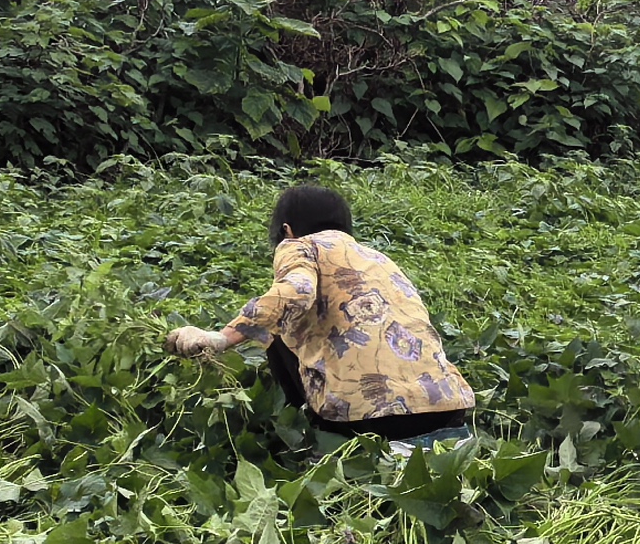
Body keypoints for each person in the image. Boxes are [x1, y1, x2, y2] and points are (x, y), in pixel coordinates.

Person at [169, 183, 477, 443]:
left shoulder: (299, 246)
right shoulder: (379, 259)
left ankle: (309, 430)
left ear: (287, 229)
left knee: (277, 326)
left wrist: (219, 339)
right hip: (446, 410)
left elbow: (295, 293)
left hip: (368, 421)